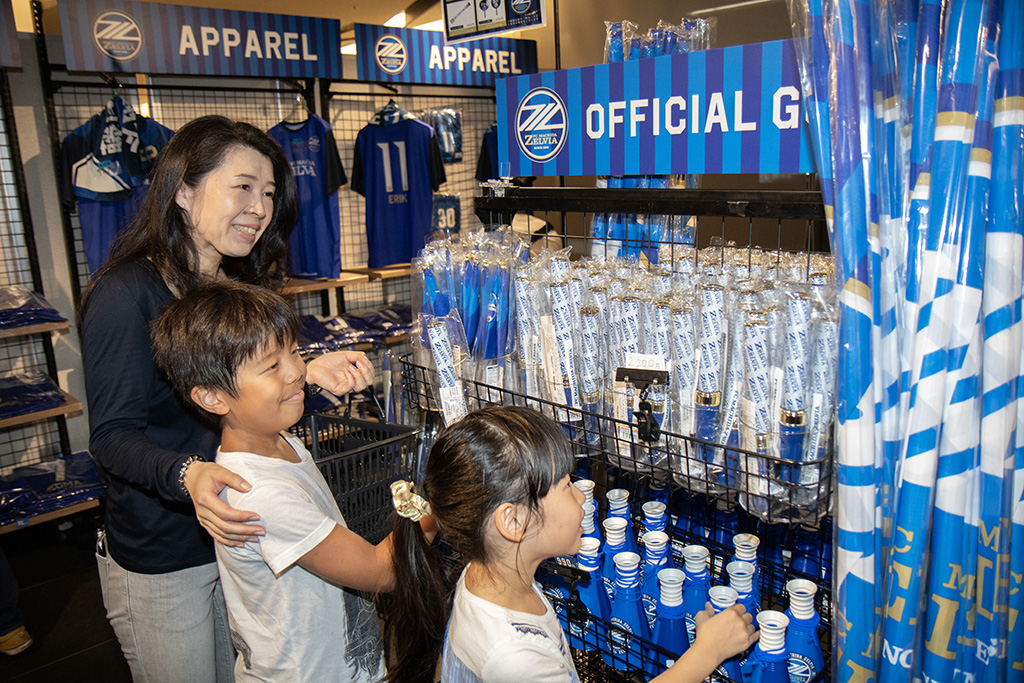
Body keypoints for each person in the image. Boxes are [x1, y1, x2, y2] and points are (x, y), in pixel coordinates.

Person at [78, 115, 374, 683]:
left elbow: (230, 393)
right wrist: (188, 475)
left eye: (268, 193)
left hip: (244, 543)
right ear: (184, 192)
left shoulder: (237, 287)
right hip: (168, 555)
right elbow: (112, 437)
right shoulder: (125, 294)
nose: (260, 208)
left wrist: (306, 373)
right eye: (243, 187)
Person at [151, 280, 427, 682]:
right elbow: (384, 571)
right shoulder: (259, 494)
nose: (298, 371)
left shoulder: (280, 442)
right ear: (212, 397)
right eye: (272, 366)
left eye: (295, 352)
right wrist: (440, 502)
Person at [383, 406, 759, 683]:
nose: (581, 498)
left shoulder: (490, 576)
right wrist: (708, 651)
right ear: (513, 522)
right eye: (565, 485)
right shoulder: (513, 657)